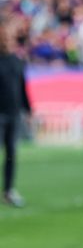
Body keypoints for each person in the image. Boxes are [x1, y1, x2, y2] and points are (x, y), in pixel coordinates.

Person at [0, 24, 31, 208]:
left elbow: (22, 87)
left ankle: (9, 190)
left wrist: (28, 110)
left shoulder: (18, 62)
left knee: (11, 153)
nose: (6, 41)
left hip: (14, 113)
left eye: (8, 38)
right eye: (3, 38)